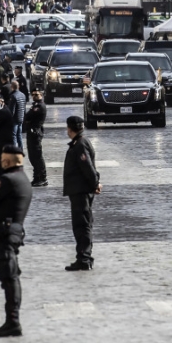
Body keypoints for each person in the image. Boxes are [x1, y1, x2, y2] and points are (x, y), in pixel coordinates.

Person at [0, 145, 33, 338]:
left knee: (9, 278)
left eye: (2, 160)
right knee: (11, 277)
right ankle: (12, 319)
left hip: (4, 234)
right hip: (11, 233)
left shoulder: (9, 180)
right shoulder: (23, 178)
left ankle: (12, 321)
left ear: (7, 161)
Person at [63, 116, 101, 271]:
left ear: (70, 129)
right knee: (81, 224)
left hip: (81, 192)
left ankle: (84, 259)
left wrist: (95, 184)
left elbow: (88, 167)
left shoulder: (80, 145)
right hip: (79, 190)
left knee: (82, 225)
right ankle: (83, 257)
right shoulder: (80, 143)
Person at [24, 90, 47, 186]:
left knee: (37, 156)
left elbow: (29, 116)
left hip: (35, 132)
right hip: (31, 132)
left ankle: (42, 178)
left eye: (36, 95)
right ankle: (36, 177)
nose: (34, 96)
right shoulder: (35, 105)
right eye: (32, 94)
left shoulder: (39, 106)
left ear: (41, 95)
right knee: (32, 157)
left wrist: (28, 119)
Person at [8, 81, 26, 149]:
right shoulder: (22, 95)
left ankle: (14, 151)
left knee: (13, 136)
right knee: (19, 135)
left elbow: (12, 111)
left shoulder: (13, 96)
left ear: (12, 87)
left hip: (14, 119)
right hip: (21, 118)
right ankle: (21, 150)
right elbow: (24, 108)